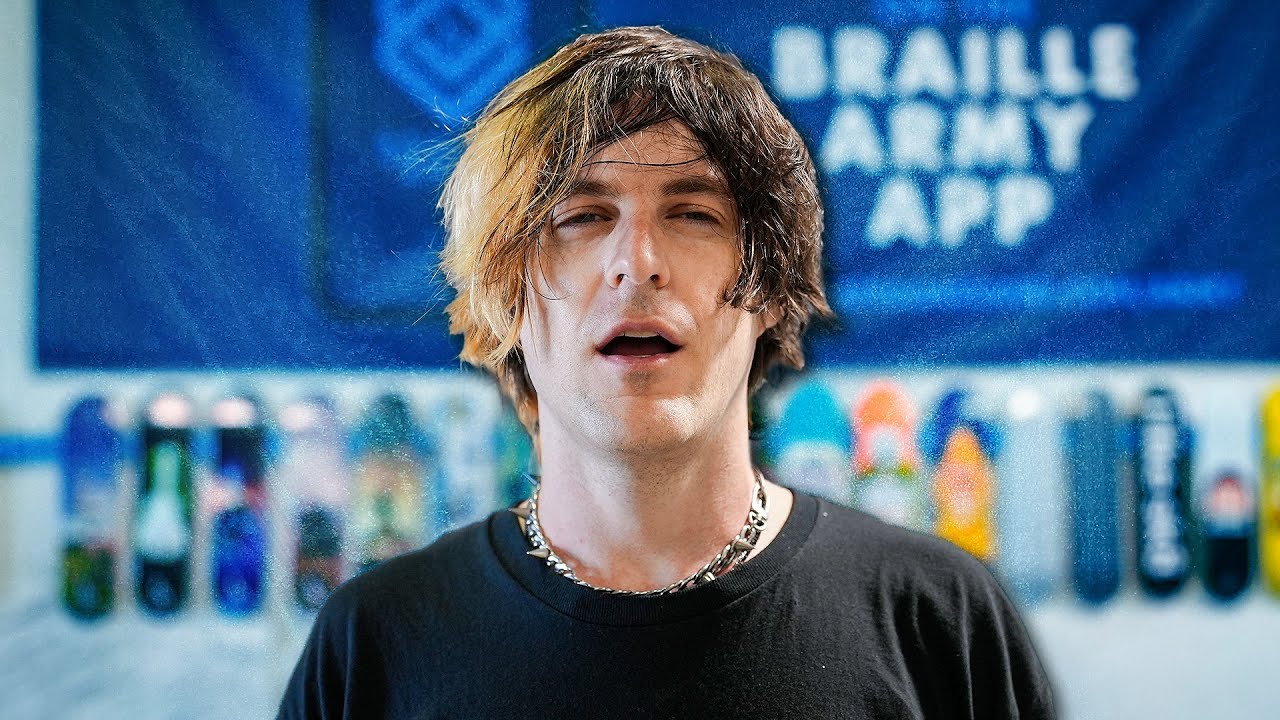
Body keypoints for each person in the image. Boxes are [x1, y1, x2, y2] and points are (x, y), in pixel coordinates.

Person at [279, 26, 1056, 719]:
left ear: (767, 286)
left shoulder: (937, 620)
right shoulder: (376, 642)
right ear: (507, 294)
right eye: (582, 216)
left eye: (692, 214)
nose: (637, 263)